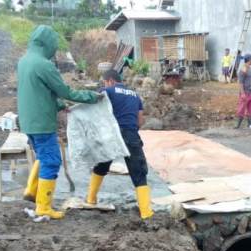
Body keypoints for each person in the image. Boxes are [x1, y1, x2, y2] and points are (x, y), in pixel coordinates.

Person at [18, 25, 99, 220]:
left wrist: (59, 105)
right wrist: (91, 96)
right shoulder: (43, 65)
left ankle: (31, 190)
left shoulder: (24, 61)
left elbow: (39, 92)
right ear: (48, 44)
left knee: (43, 156)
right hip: (42, 123)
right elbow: (65, 91)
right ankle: (43, 207)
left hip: (28, 121)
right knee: (52, 160)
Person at [86, 70, 154, 220]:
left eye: (104, 82)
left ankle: (91, 199)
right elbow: (140, 121)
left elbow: (94, 104)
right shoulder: (135, 95)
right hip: (130, 134)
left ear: (110, 81)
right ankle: (145, 212)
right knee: (139, 171)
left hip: (111, 134)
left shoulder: (107, 90)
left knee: (102, 165)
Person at [235, 53, 251, 129]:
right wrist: (242, 93)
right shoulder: (243, 69)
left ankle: (250, 124)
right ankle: (237, 125)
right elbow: (240, 83)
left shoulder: (249, 68)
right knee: (241, 108)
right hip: (245, 93)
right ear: (249, 60)